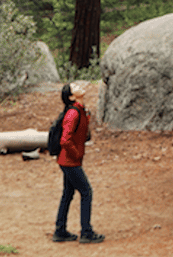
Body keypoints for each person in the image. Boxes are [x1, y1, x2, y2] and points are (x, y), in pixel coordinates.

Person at [52, 82, 104, 244]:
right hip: (69, 161)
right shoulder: (73, 113)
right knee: (86, 192)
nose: (80, 86)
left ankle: (60, 231)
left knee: (68, 193)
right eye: (75, 87)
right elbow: (65, 140)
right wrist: (77, 154)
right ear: (71, 97)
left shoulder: (80, 110)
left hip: (68, 160)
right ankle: (86, 232)